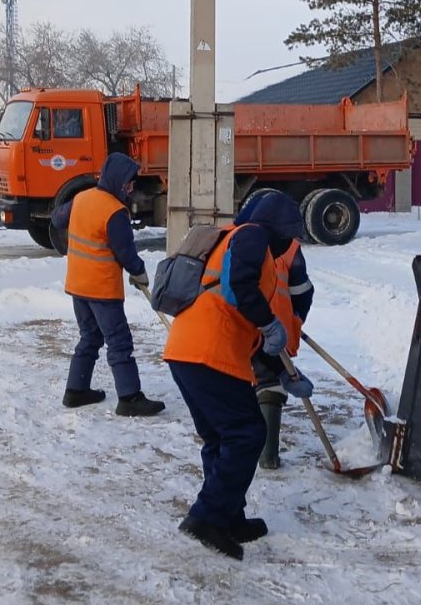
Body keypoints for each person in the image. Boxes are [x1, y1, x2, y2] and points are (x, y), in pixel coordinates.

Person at [164, 191, 314, 560]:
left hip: (187, 351)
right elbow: (239, 288)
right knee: (247, 433)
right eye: (289, 234)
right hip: (209, 352)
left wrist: (283, 371)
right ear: (278, 227)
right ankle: (206, 518)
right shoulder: (252, 236)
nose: (288, 244)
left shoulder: (239, 238)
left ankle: (229, 516)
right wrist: (268, 323)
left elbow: (245, 309)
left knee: (221, 437)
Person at [51, 152, 166, 417]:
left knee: (90, 337)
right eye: (128, 182)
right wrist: (139, 273)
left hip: (78, 286)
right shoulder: (115, 212)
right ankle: (129, 397)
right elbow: (125, 252)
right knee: (119, 341)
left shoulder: (81, 198)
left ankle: (76, 390)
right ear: (116, 180)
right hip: (101, 289)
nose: (130, 187)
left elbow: (57, 218)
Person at [234, 190, 315, 469]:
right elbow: (303, 292)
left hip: (242, 323)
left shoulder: (237, 237)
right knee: (271, 385)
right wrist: (295, 320)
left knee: (243, 380)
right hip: (274, 325)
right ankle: (268, 456)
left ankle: (245, 444)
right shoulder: (291, 248)